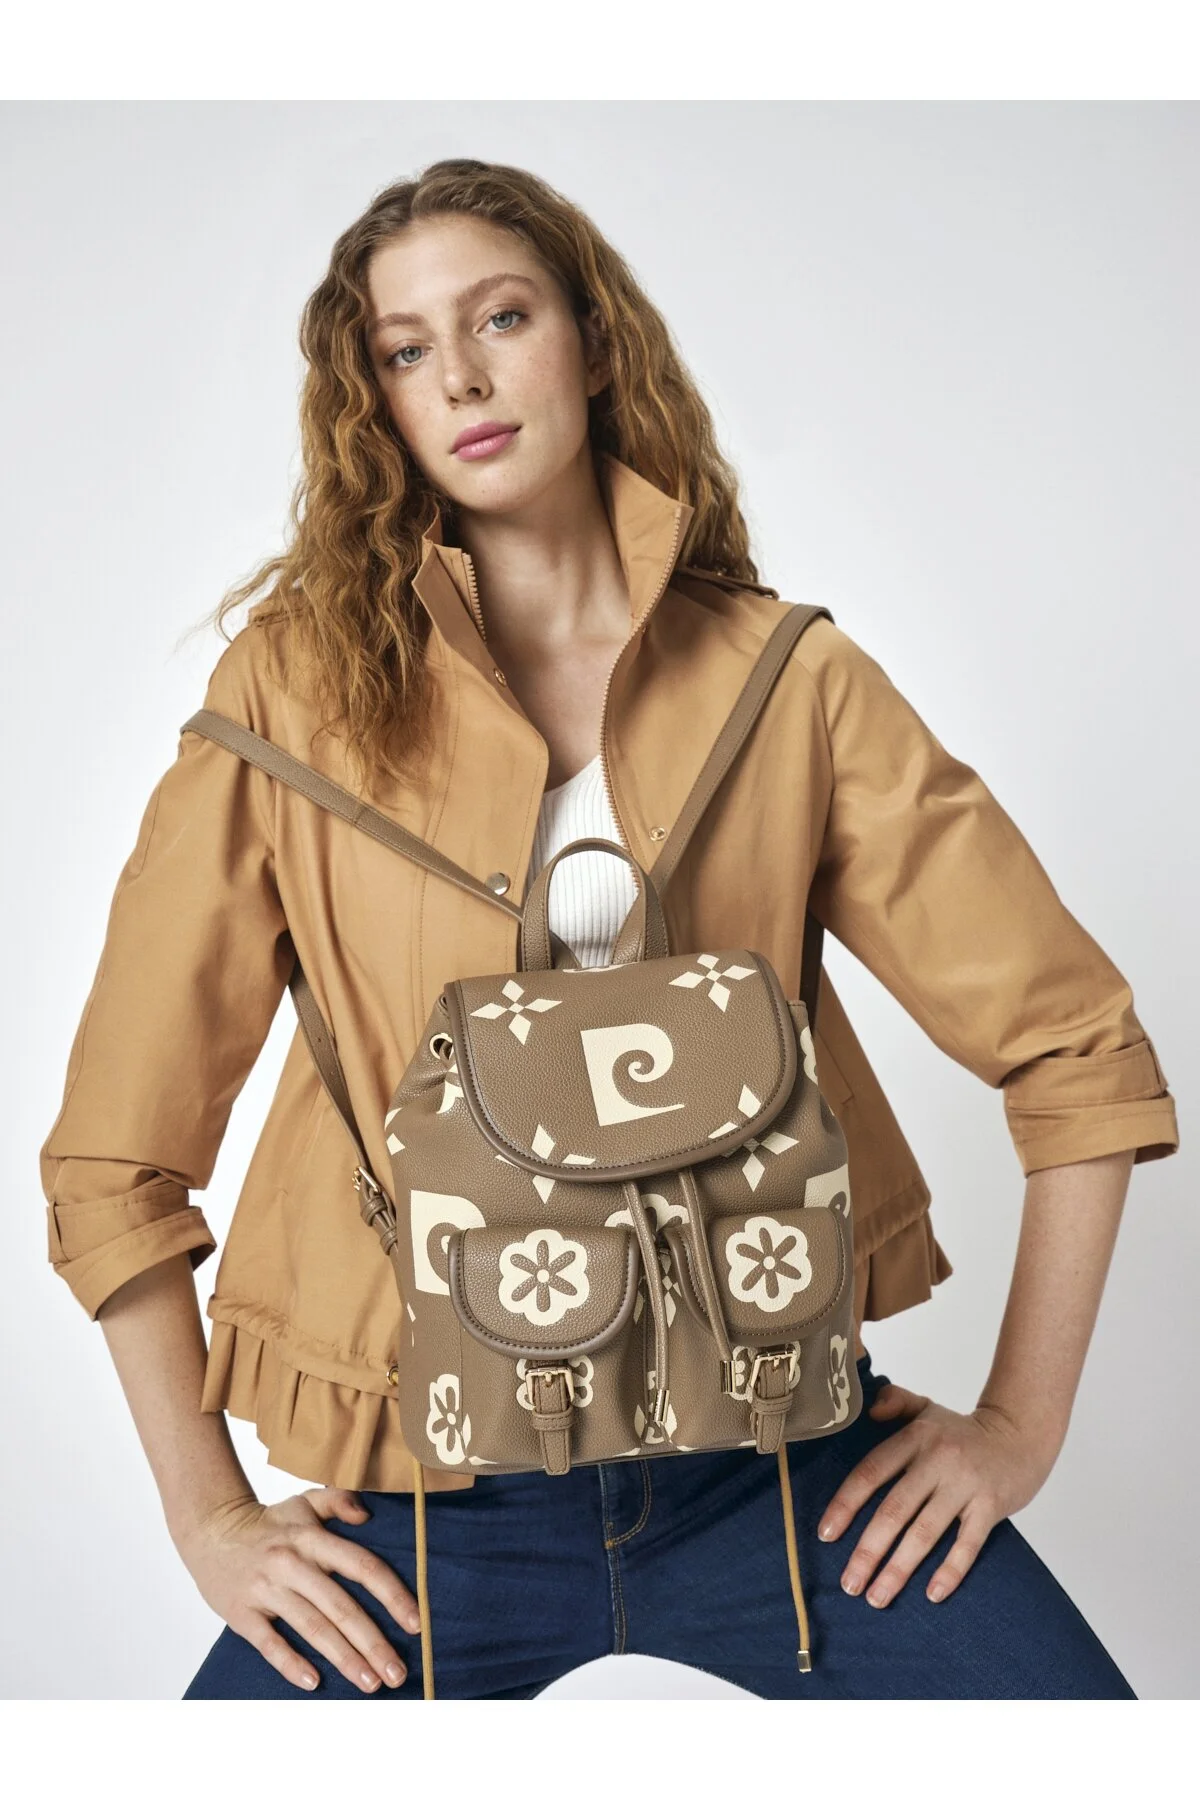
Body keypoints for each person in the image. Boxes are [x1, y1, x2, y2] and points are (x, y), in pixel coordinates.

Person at [39, 157, 1179, 1702]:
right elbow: (113, 1162)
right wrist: (210, 1521)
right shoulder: (288, 707)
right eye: (406, 349)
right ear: (375, 403)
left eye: (502, 317)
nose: (462, 375)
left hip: (781, 1472)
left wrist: (1020, 1429)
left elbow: (1079, 1053)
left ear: (590, 338)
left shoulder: (786, 680)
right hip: (430, 1508)